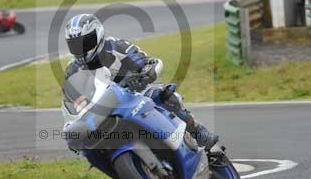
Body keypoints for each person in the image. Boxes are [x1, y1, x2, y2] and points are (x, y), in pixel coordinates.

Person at [62, 13, 219, 150]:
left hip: (135, 96)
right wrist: (73, 128)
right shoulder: (72, 71)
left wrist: (143, 76)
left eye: (86, 43)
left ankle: (197, 132)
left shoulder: (118, 46)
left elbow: (152, 63)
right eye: (75, 45)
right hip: (104, 113)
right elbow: (72, 106)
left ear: (98, 35)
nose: (81, 49)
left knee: (163, 95)